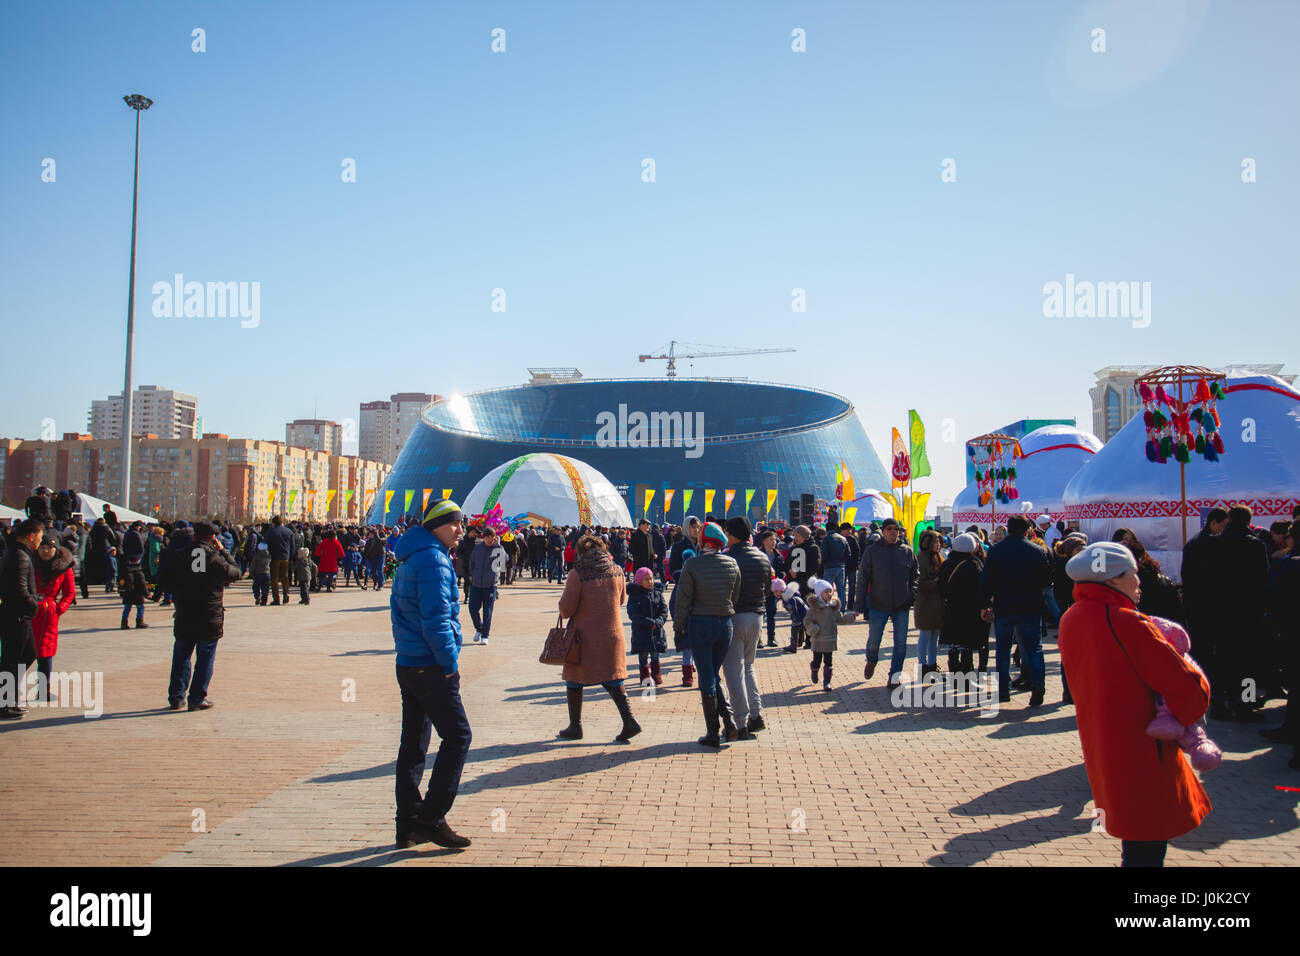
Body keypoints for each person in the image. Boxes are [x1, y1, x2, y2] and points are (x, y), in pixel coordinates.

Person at [1059, 541, 1212, 867]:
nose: (1139, 581)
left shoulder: (1072, 617)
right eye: (1133, 573)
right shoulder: (1128, 622)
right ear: (1113, 579)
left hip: (1104, 741)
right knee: (1147, 845)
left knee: (1137, 839)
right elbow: (1187, 687)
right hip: (1144, 744)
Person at [391, 498, 473, 850]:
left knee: (413, 744)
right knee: (458, 737)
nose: (460, 530)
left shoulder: (413, 555)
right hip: (430, 665)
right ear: (436, 525)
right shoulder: (434, 561)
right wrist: (450, 666)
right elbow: (437, 621)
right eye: (454, 523)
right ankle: (431, 819)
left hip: (408, 662)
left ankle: (407, 823)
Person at [556, 534, 640, 742]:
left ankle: (575, 726)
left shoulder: (578, 574)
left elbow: (566, 609)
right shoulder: (617, 571)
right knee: (613, 678)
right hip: (612, 634)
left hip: (583, 637)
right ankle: (629, 720)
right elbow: (621, 600)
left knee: (575, 679)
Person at [673, 522, 741, 748]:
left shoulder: (692, 564)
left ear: (703, 542)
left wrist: (678, 626)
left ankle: (714, 731)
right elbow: (736, 595)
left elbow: (683, 600)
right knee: (713, 672)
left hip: (700, 624)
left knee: (707, 677)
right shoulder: (732, 563)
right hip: (725, 624)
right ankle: (729, 724)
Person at [162, 521, 240, 712]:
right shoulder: (214, 557)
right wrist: (223, 552)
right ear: (213, 538)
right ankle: (196, 698)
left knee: (181, 657)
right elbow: (236, 572)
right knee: (205, 658)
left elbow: (166, 578)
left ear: (194, 536)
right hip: (209, 614)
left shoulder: (181, 555)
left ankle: (176, 697)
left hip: (185, 613)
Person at [980, 515, 1051, 706]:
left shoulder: (997, 551)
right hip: (1031, 606)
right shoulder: (1037, 551)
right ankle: (1038, 687)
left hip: (1005, 605)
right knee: (1034, 648)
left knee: (1003, 649)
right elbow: (1046, 581)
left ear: (1008, 529)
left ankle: (1003, 690)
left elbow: (987, 580)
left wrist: (985, 604)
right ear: (1027, 530)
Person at [854, 517, 919, 687]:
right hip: (878, 604)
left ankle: (894, 676)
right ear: (883, 531)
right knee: (874, 641)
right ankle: (871, 660)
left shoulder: (907, 551)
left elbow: (915, 575)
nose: (893, 532)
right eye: (889, 528)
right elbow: (863, 579)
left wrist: (912, 594)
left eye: (896, 529)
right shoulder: (872, 551)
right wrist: (859, 606)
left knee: (900, 644)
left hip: (901, 605)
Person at [722, 516, 771, 736]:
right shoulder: (762, 557)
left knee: (733, 671)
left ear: (732, 535)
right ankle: (756, 714)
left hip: (735, 617)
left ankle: (740, 723)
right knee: (749, 665)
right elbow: (768, 588)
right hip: (756, 616)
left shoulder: (728, 558)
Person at [0, 518, 43, 719]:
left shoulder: (17, 553)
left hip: (18, 613)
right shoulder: (19, 556)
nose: (40, 543)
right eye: (40, 538)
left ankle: (10, 698)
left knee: (27, 654)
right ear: (31, 536)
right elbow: (19, 590)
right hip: (16, 615)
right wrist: (34, 604)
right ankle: (4, 703)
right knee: (11, 660)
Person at [32, 531, 75, 701]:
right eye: (42, 547)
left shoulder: (64, 568)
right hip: (30, 610)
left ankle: (43, 690)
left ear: (56, 549)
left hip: (48, 614)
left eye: (49, 548)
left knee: (45, 652)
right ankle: (11, 689)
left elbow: (69, 593)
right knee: (22, 652)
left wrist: (59, 609)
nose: (45, 551)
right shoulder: (30, 564)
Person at [938, 533, 989, 676]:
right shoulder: (974, 565)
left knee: (953, 645)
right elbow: (981, 588)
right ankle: (966, 678)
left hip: (951, 609)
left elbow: (941, 588)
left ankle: (954, 674)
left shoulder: (947, 563)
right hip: (970, 611)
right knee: (967, 645)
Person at [804, 576, 856, 690]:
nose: (829, 594)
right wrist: (813, 629)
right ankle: (814, 670)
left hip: (830, 640)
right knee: (817, 660)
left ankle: (827, 682)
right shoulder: (814, 608)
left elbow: (840, 619)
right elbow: (807, 621)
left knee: (828, 662)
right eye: (825, 592)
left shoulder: (833, 607)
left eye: (830, 591)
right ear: (819, 593)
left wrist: (851, 616)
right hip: (818, 640)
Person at [627, 566, 668, 686]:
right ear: (639, 581)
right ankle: (645, 677)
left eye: (651, 579)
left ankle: (656, 675)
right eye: (646, 579)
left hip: (656, 632)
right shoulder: (635, 596)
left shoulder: (657, 593)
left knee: (655, 655)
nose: (650, 581)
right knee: (643, 656)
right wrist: (649, 622)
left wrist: (659, 622)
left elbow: (664, 610)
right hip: (641, 632)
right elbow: (633, 614)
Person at [913, 529, 945, 681]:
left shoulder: (939, 558)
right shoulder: (920, 559)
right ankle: (922, 666)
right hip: (925, 603)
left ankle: (932, 666)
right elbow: (921, 583)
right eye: (935, 541)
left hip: (938, 603)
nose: (938, 544)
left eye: (939, 541)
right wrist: (940, 582)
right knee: (925, 635)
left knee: (934, 636)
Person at [467, 527, 504, 645]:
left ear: (494, 537)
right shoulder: (478, 548)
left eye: (491, 537)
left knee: (487, 611)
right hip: (476, 584)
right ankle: (479, 627)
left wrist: (499, 546)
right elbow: (472, 562)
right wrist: (472, 575)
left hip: (490, 585)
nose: (488, 539)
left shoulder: (497, 549)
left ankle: (485, 635)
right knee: (472, 608)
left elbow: (504, 561)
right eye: (486, 537)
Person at [759, 530, 786, 647]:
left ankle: (771, 638)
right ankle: (758, 639)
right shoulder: (758, 554)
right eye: (770, 540)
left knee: (771, 614)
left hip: (773, 589)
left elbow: (782, 570)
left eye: (774, 540)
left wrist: (779, 580)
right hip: (760, 589)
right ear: (764, 541)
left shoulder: (778, 555)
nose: (773, 542)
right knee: (759, 615)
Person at [263, 515, 294, 606]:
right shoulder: (289, 531)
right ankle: (286, 595)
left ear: (274, 522)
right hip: (286, 557)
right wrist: (291, 557)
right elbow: (292, 547)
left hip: (274, 557)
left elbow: (265, 543)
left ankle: (276, 598)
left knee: (274, 578)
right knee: (285, 577)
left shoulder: (271, 531)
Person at [119, 546, 148, 630]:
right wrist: (146, 593)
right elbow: (142, 584)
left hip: (128, 593)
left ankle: (124, 623)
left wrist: (122, 592)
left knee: (127, 608)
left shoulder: (125, 570)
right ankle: (139, 622)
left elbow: (122, 582)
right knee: (140, 607)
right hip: (138, 594)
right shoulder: (139, 571)